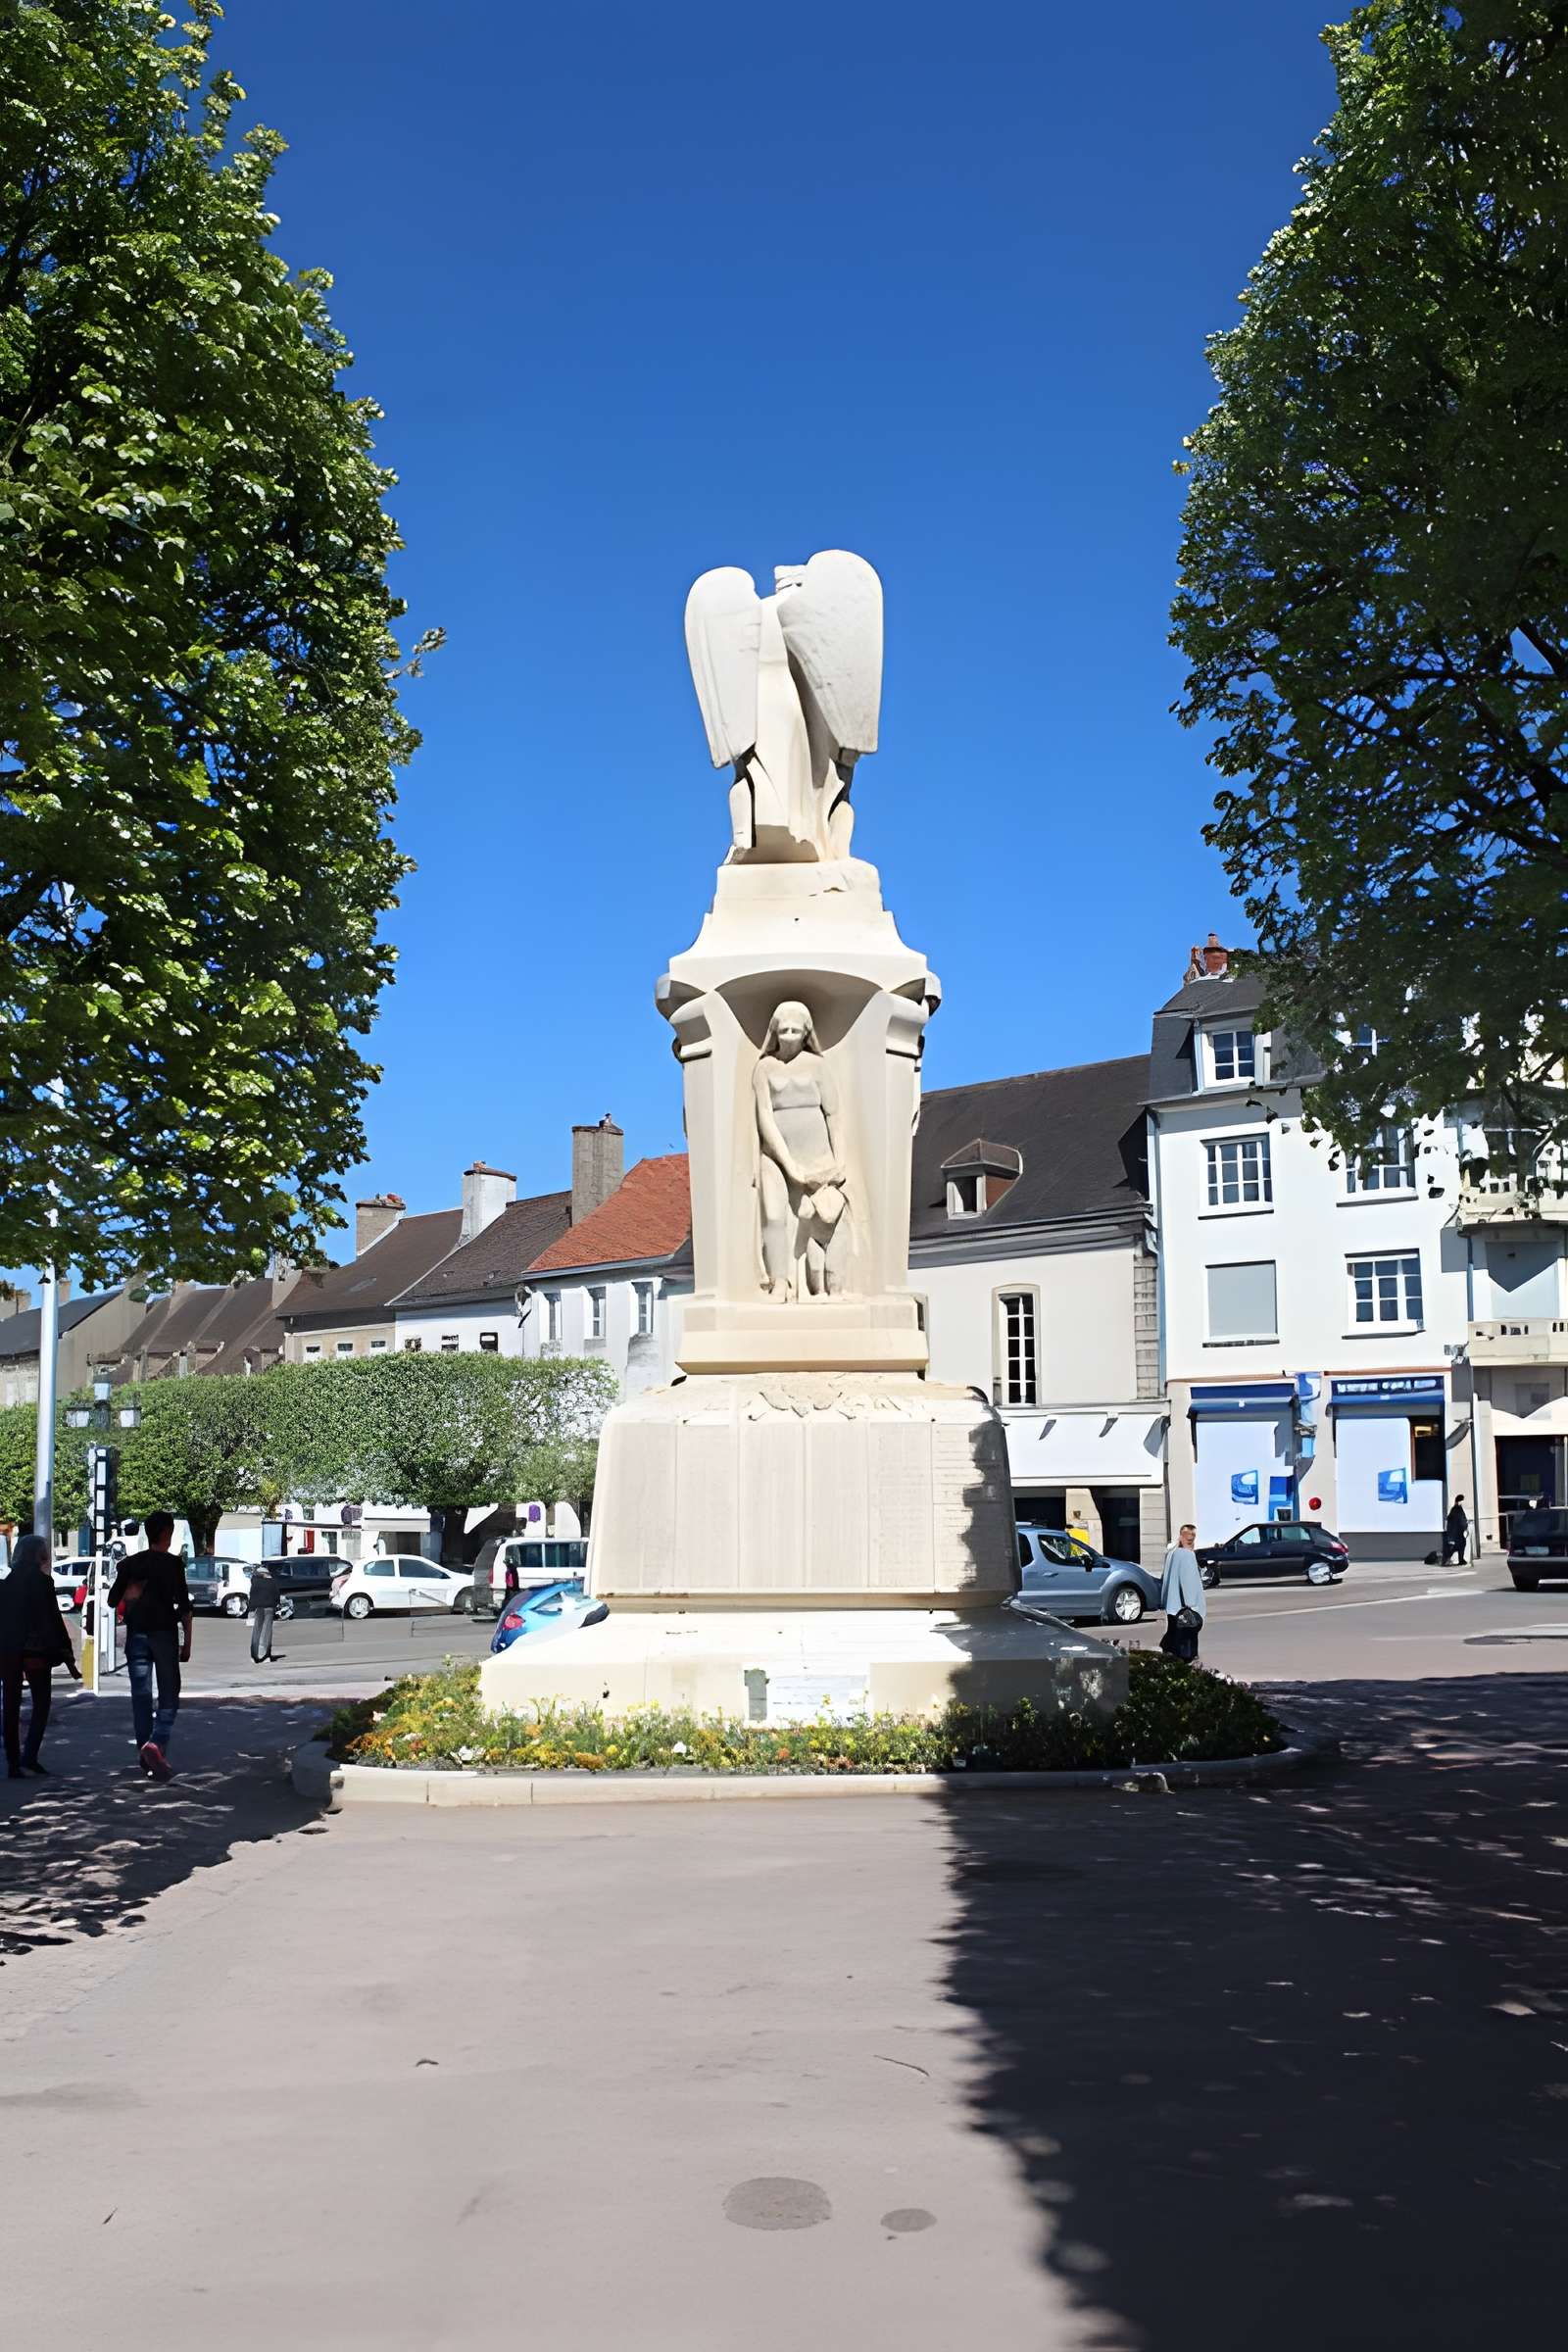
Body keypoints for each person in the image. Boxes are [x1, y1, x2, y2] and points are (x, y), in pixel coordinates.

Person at [107, 1510, 192, 1782]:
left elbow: (112, 1600)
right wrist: (187, 1643)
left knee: (141, 1697)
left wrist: (130, 1591)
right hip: (163, 1634)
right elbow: (185, 1606)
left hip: (136, 1636)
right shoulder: (173, 1565)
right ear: (166, 1533)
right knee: (169, 1694)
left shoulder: (130, 1564)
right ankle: (156, 1743)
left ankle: (147, 1755)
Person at [0, 1533, 80, 1778]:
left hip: (9, 1651)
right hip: (35, 1651)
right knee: (41, 1703)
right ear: (39, 1555)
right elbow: (52, 1620)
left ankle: (13, 1762)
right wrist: (66, 1655)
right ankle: (30, 1755)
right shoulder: (43, 1582)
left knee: (10, 1705)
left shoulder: (6, 1583)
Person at [1159, 1523, 1207, 1662]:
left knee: (1173, 1634)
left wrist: (1164, 1600)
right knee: (1187, 1642)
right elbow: (1188, 1581)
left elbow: (1165, 1578)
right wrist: (1191, 1604)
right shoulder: (1187, 1555)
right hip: (1185, 1607)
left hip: (1172, 1606)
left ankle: (1169, 1656)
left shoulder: (1172, 1554)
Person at [248, 1559, 278, 1665]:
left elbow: (252, 1596)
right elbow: (277, 1596)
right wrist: (276, 1605)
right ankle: (266, 1656)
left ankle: (254, 1656)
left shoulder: (255, 1582)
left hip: (258, 1608)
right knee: (267, 1632)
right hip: (269, 1608)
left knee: (256, 1631)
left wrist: (251, 1610)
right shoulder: (273, 1582)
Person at [1443, 1493, 1469, 1566]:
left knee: (1458, 1546)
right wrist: (1465, 1526)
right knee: (1457, 1546)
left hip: (1456, 1532)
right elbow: (1461, 1520)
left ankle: (1459, 1559)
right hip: (1457, 1532)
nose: (1463, 1502)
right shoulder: (1457, 1509)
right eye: (1462, 1500)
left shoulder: (1455, 1509)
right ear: (1459, 1501)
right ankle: (1449, 1560)